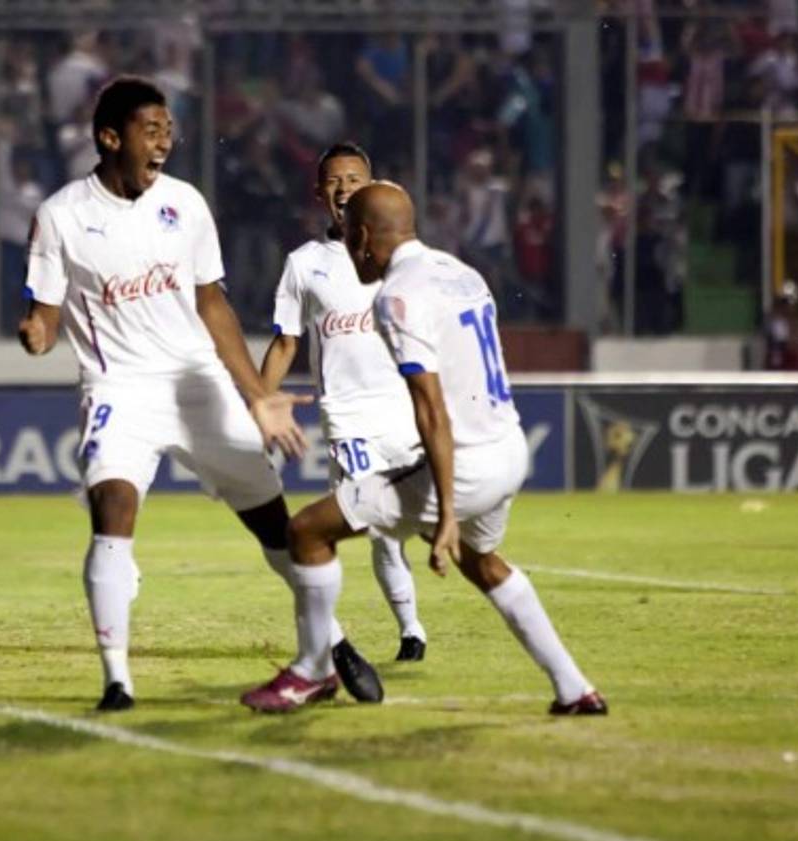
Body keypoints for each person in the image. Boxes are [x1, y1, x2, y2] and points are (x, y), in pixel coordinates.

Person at [18, 76, 383, 711]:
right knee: (113, 512)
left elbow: (213, 305)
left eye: (169, 129)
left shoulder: (184, 204)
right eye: (151, 129)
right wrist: (37, 331)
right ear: (110, 137)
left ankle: (332, 644)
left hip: (198, 385)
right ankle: (117, 681)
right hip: (120, 389)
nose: (166, 141)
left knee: (280, 530)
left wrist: (255, 396)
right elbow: (44, 311)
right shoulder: (61, 216)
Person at [243, 182, 606, 716]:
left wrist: (448, 512)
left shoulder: (395, 297)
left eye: (348, 239)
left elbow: (431, 410)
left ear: (364, 236)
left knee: (307, 530)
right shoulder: (462, 273)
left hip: (464, 466)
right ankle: (574, 688)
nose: (346, 250)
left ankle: (314, 670)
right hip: (509, 447)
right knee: (482, 564)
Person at [260, 142, 428, 663]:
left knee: (408, 529)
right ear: (319, 192)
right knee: (374, 525)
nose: (344, 188)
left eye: (354, 178)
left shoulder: (400, 258)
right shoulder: (306, 265)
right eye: (334, 180)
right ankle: (401, 635)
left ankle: (410, 627)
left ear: (373, 186)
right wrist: (262, 400)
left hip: (402, 411)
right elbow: (286, 341)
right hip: (348, 419)